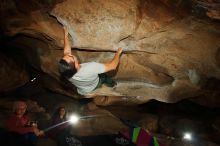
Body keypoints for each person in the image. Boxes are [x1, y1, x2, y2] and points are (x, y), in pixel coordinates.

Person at [58, 27, 123, 95]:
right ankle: (113, 85)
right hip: (94, 85)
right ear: (76, 66)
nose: (69, 54)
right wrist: (118, 53)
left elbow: (66, 52)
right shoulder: (91, 67)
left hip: (83, 90)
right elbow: (113, 66)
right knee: (104, 76)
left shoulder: (66, 73)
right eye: (71, 57)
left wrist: (65, 35)